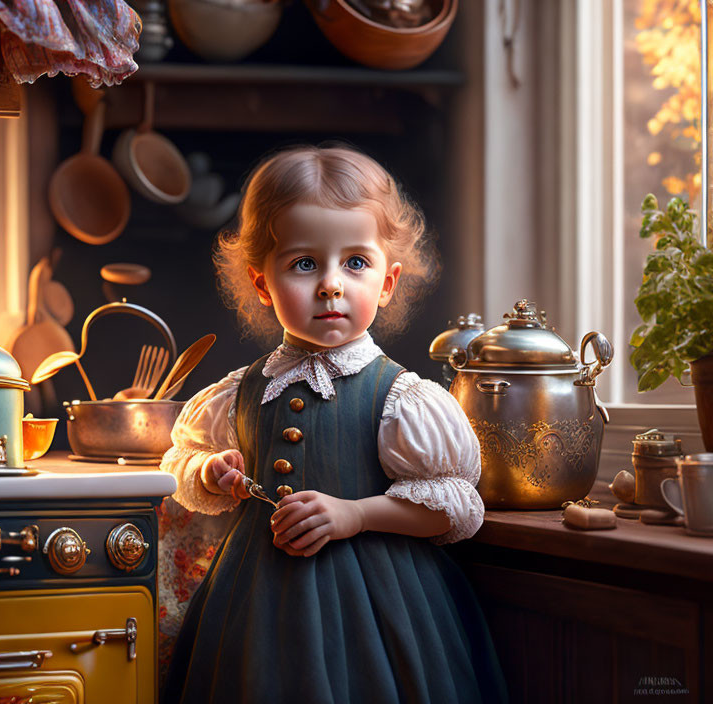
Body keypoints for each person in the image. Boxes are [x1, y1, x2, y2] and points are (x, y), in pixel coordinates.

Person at [159, 144, 508, 704]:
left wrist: (354, 513)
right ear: (261, 282)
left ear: (387, 282)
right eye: (303, 264)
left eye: (355, 262)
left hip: (378, 604)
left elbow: (454, 506)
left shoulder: (403, 398)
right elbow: (178, 461)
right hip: (253, 604)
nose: (330, 284)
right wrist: (209, 470)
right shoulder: (238, 391)